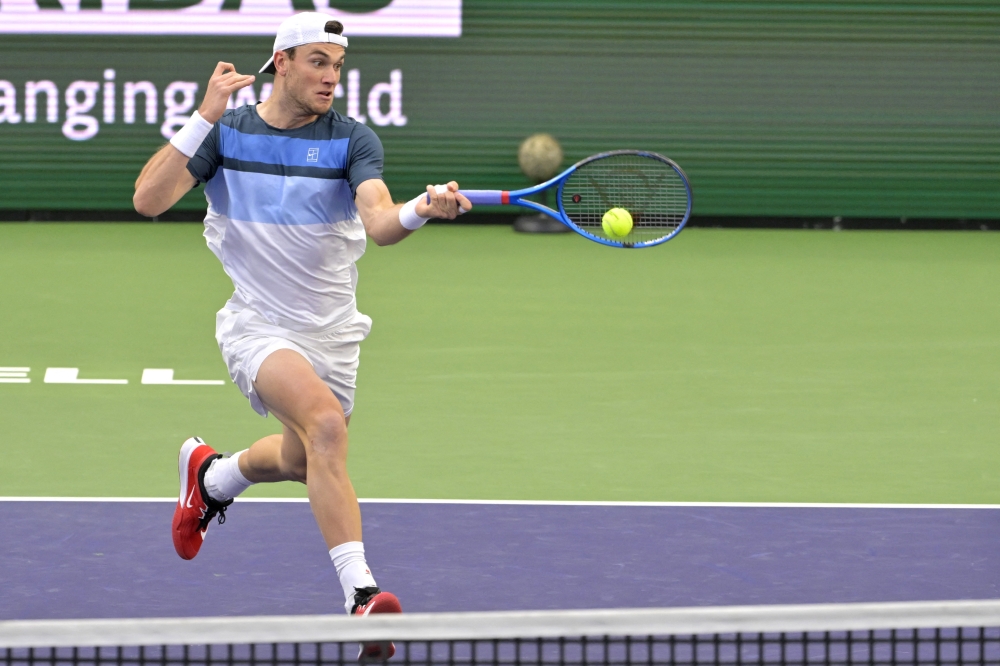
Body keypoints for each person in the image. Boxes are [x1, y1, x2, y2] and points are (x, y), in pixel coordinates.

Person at [132, 11, 471, 653]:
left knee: (300, 456)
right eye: (318, 61)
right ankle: (362, 596)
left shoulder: (351, 139)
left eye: (338, 66)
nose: (331, 78)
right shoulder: (223, 133)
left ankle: (213, 478)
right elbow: (148, 200)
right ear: (281, 63)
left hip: (333, 331)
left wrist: (421, 209)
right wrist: (203, 114)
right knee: (325, 427)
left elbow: (379, 220)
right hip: (257, 323)